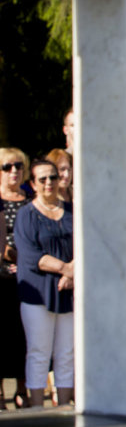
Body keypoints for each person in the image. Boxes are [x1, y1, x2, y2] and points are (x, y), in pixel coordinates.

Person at [14, 160, 74, 407]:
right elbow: (30, 255)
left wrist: (72, 275)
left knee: (67, 353)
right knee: (39, 352)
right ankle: (37, 410)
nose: (49, 183)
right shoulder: (26, 214)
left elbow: (86, 244)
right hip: (38, 292)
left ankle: (64, 407)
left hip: (69, 291)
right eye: (42, 179)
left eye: (52, 177)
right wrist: (67, 269)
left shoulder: (72, 211)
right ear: (33, 184)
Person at [0, 148, 30, 408]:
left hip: (28, 277)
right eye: (7, 166)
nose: (14, 171)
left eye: (18, 166)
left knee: (23, 335)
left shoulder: (30, 197)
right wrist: (9, 256)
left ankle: (22, 389)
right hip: (2, 275)